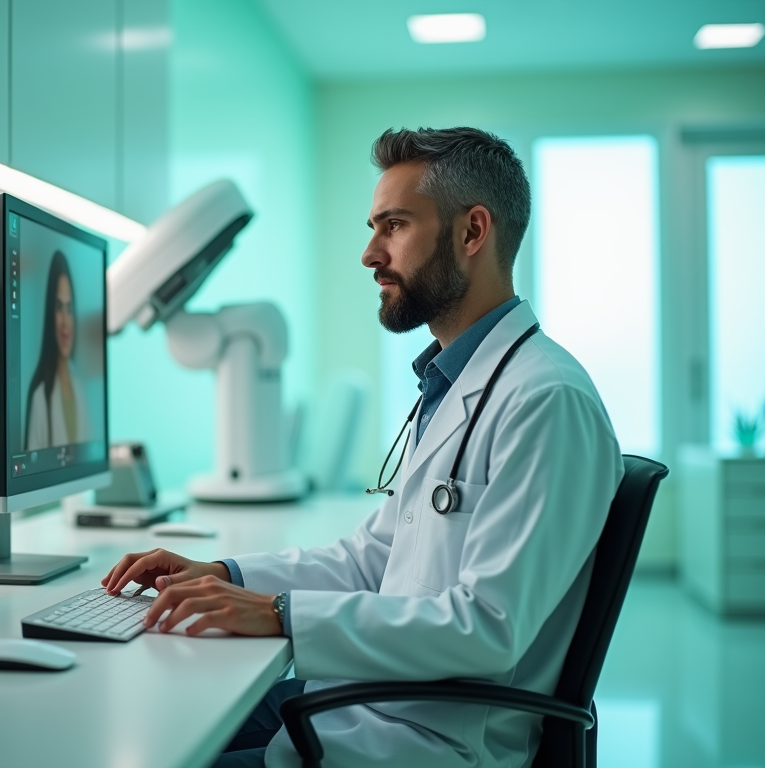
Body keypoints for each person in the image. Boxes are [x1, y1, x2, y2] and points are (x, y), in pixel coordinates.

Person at [102, 127, 624, 768]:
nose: (369, 254)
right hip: (365, 700)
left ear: (472, 232)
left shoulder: (545, 399)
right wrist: (226, 577)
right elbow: (372, 559)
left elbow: (488, 628)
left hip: (428, 740)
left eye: (393, 226)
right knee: (156, 717)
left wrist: (279, 614)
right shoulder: (458, 383)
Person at [24, 250, 90, 451]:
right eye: (59, 308)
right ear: (49, 315)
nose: (65, 323)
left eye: (69, 309)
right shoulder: (40, 397)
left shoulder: (79, 386)